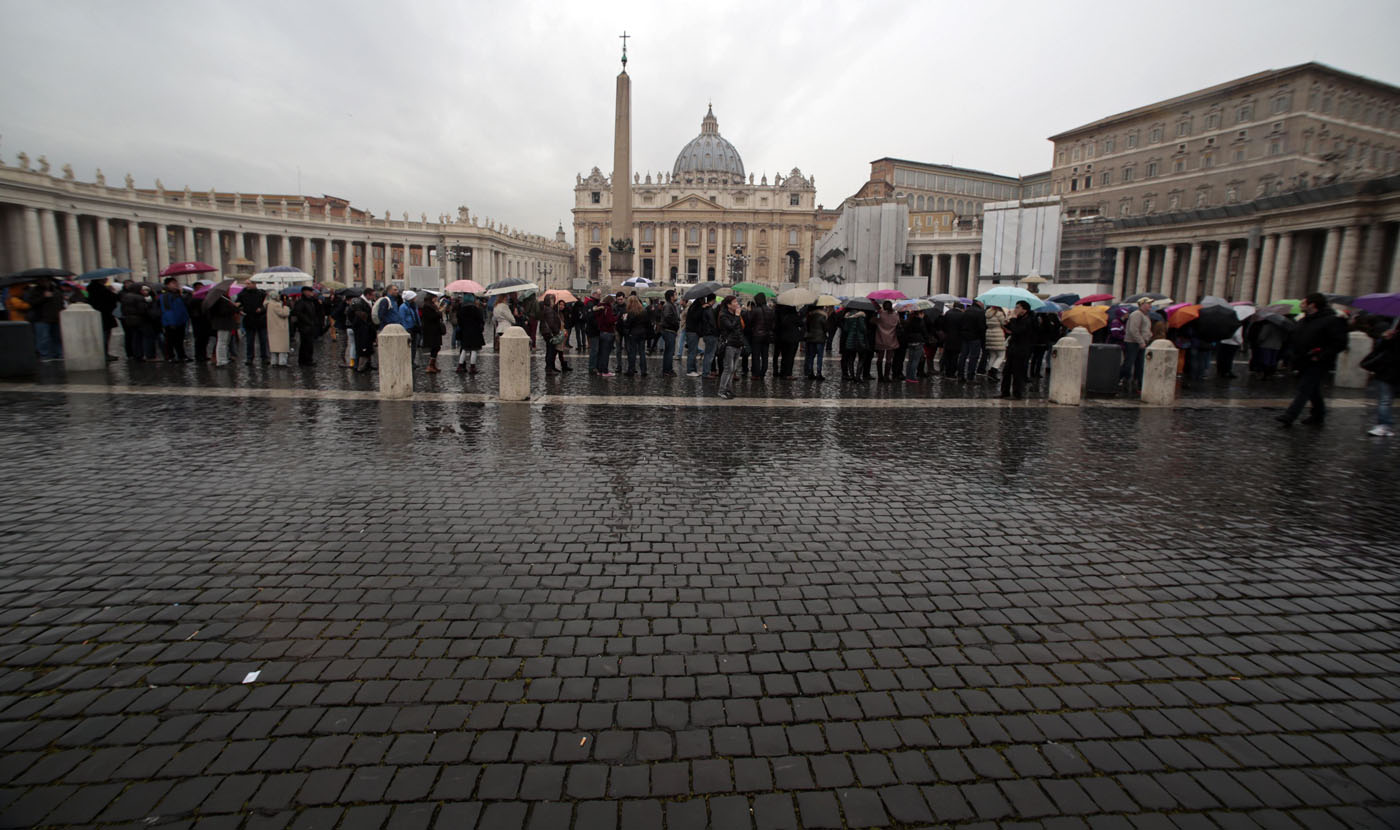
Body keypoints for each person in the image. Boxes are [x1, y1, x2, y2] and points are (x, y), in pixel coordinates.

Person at [1276, 293, 1350, 428]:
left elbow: (1340, 343)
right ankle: (1319, 414)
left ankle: (1290, 416)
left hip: (1319, 361)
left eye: (1303, 303)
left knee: (1304, 388)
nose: (1301, 305)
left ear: (1312, 305)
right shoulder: (1305, 319)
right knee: (1312, 389)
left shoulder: (1332, 320)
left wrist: (1321, 355)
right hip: (1302, 359)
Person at [1364, 324, 1398, 437]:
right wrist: (1385, 338)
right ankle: (1383, 425)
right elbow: (1380, 349)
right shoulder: (1394, 333)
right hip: (1389, 371)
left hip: (1390, 371)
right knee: (1385, 399)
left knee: (1385, 400)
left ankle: (1384, 426)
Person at [1001, 301, 1035, 399]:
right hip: (1013, 348)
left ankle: (1017, 393)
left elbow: (1018, 330)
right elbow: (1011, 329)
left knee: (1017, 372)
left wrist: (1013, 320)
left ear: (1024, 310)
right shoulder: (1020, 319)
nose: (1015, 309)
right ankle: (1005, 392)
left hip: (1021, 349)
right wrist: (1007, 322)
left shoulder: (1029, 320)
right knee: (1006, 371)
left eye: (1017, 307)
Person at [25, 278, 65, 361]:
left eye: (47, 280)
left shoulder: (56, 290)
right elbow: (31, 303)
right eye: (43, 280)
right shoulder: (34, 291)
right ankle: (44, 355)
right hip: (41, 318)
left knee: (57, 337)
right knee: (43, 338)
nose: (45, 282)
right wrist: (44, 297)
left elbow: (60, 303)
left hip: (55, 318)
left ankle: (58, 354)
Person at [1121, 298, 1153, 392]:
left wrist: (1149, 335)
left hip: (1142, 342)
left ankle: (1137, 383)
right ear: (1142, 304)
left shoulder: (1146, 315)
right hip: (1133, 342)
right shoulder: (1136, 314)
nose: (1150, 305)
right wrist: (1141, 341)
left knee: (1140, 365)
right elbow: (1133, 330)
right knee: (1129, 363)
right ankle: (1122, 379)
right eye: (1148, 303)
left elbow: (1145, 329)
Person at [156, 278, 190, 362]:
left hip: (180, 321)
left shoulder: (177, 294)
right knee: (170, 340)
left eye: (176, 283)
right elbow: (167, 310)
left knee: (180, 340)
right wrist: (171, 322)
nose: (176, 285)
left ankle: (181, 355)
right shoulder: (165, 296)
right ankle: (170, 356)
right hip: (171, 322)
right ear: (167, 285)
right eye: (173, 283)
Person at [716, 294, 744, 399]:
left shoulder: (735, 314)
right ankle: (721, 390)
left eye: (737, 302)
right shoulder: (723, 315)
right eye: (735, 302)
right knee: (728, 368)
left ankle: (728, 389)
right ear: (728, 305)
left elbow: (740, 328)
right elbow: (731, 327)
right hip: (729, 344)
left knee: (733, 369)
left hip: (737, 343)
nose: (737, 304)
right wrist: (737, 316)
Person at [87, 279, 119, 360]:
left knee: (101, 335)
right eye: (105, 279)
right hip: (105, 315)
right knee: (105, 336)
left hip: (97, 315)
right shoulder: (103, 290)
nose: (107, 280)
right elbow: (114, 299)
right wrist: (111, 291)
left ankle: (100, 353)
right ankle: (104, 354)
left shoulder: (91, 290)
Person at [291, 287, 324, 366]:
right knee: (305, 344)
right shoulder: (301, 302)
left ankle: (307, 359)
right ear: (305, 292)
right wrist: (307, 320)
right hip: (304, 326)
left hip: (310, 325)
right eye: (309, 292)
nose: (311, 293)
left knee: (309, 344)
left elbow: (318, 310)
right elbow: (297, 312)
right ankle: (305, 360)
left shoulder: (311, 301)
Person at [744, 294, 775, 378]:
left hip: (757, 335)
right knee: (765, 355)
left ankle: (756, 374)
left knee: (756, 355)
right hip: (767, 335)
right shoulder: (770, 310)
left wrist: (748, 311)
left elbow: (749, 321)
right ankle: (763, 372)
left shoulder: (756, 310)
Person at [238, 283, 269, 365]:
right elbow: (238, 304)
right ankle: (249, 358)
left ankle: (264, 357)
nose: (247, 285)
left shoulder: (262, 294)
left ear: (254, 284)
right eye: (247, 283)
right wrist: (239, 310)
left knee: (263, 340)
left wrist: (261, 309)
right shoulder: (242, 294)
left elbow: (266, 306)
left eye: (249, 283)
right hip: (249, 319)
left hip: (260, 320)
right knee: (249, 341)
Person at [455, 294, 486, 374]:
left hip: (465, 331)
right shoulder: (476, 309)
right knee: (474, 349)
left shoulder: (461, 309)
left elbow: (459, 321)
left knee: (464, 349)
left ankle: (460, 366)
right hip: (475, 331)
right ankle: (472, 367)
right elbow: (481, 320)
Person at [349, 287, 377, 373]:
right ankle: (358, 366)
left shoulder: (369, 302)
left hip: (368, 328)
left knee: (367, 346)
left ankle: (367, 364)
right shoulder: (359, 302)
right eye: (373, 295)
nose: (374, 297)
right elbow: (353, 315)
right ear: (368, 295)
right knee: (361, 347)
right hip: (362, 329)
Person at [623, 295, 652, 377]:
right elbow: (648, 323)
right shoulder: (644, 311)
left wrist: (624, 319)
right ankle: (643, 370)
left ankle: (631, 370)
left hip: (633, 334)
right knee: (642, 352)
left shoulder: (630, 312)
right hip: (642, 333)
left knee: (633, 353)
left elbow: (627, 325)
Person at [958, 300, 986, 382]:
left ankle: (960, 375)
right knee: (973, 357)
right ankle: (970, 376)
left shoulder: (966, 311)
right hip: (975, 337)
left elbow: (961, 323)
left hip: (965, 336)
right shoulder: (980, 312)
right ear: (978, 302)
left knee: (963, 356)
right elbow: (982, 327)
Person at [540, 298, 568, 374]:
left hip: (548, 333)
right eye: (553, 300)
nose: (554, 302)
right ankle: (549, 369)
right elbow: (551, 323)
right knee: (550, 351)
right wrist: (557, 331)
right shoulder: (549, 310)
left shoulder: (547, 309)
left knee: (550, 351)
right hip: (550, 333)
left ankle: (551, 367)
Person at [841, 305, 869, 381]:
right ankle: (858, 376)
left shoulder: (848, 315)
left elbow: (846, 329)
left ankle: (852, 376)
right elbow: (863, 329)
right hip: (860, 340)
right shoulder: (861, 315)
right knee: (861, 358)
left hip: (850, 340)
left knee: (851, 359)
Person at [591, 295, 617, 377]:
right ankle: (605, 371)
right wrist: (617, 318)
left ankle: (599, 370)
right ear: (610, 302)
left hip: (601, 332)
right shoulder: (607, 308)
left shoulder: (600, 308)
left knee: (601, 352)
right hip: (608, 332)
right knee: (606, 353)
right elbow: (609, 321)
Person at [418, 295, 445, 373]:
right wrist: (440, 312)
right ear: (432, 298)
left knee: (436, 347)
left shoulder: (431, 306)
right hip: (431, 331)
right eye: (435, 297)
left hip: (435, 330)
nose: (436, 299)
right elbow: (432, 317)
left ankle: (432, 365)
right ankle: (430, 366)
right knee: (435, 347)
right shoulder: (427, 307)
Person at [874, 301, 900, 381]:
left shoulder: (880, 314)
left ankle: (880, 376)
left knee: (880, 358)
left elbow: (873, 321)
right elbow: (899, 323)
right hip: (891, 339)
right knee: (889, 359)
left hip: (880, 339)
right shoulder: (896, 315)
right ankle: (886, 376)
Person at [775, 303, 801, 378]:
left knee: (784, 356)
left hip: (784, 338)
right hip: (793, 339)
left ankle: (783, 373)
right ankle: (788, 374)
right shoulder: (794, 316)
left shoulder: (783, 316)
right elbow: (801, 323)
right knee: (790, 357)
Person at [983, 305, 1008, 382]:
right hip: (998, 334)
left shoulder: (987, 313)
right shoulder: (999, 313)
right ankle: (993, 371)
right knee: (1001, 355)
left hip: (989, 334)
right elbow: (1004, 323)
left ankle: (990, 373)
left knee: (992, 356)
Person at [804, 305, 828, 380]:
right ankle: (819, 373)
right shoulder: (823, 316)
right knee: (819, 357)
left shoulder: (810, 316)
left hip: (811, 338)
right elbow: (826, 328)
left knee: (811, 356)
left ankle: (810, 373)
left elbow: (807, 327)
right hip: (820, 339)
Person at [267, 292, 292, 366]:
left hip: (273, 328)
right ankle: (282, 362)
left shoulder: (269, 304)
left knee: (274, 348)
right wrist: (286, 307)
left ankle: (274, 361)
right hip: (280, 328)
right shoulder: (275, 305)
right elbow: (284, 313)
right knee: (282, 347)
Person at [659, 290, 680, 376]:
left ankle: (668, 369)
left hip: (670, 330)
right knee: (669, 352)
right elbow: (668, 317)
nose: (676, 296)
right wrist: (676, 323)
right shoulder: (668, 305)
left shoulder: (671, 305)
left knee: (669, 351)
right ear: (671, 297)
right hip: (669, 330)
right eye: (675, 294)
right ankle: (667, 370)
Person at [684, 295, 706, 376]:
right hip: (692, 332)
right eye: (703, 299)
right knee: (692, 352)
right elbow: (696, 317)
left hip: (693, 332)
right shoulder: (695, 307)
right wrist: (702, 308)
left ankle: (694, 370)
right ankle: (690, 371)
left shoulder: (695, 306)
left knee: (693, 352)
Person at [901, 308, 925, 382]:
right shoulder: (920, 321)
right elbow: (924, 332)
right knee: (915, 360)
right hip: (918, 342)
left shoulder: (909, 320)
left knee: (910, 360)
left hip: (910, 342)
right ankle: (912, 377)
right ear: (919, 313)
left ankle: (908, 376)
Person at [700, 296, 720, 377]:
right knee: (709, 355)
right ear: (713, 300)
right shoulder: (709, 310)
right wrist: (716, 333)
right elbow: (712, 323)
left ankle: (706, 372)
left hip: (706, 334)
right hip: (711, 334)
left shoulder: (704, 309)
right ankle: (706, 373)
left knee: (707, 354)